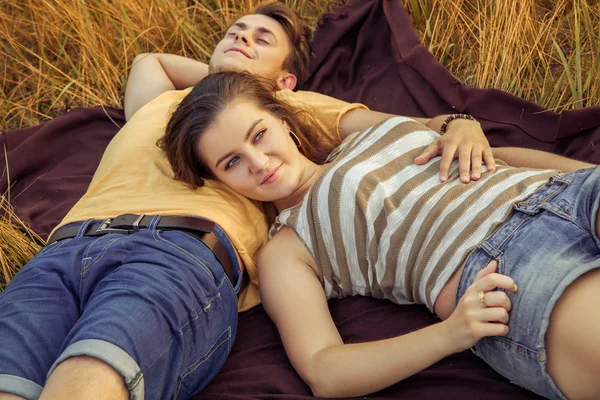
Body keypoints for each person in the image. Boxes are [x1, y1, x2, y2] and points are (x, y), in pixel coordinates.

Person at [0, 2, 492, 399]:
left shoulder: (284, 111)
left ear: (286, 85)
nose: (242, 38)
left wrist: (458, 122)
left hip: (177, 246)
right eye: (236, 31)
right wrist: (218, 82)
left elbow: (404, 130)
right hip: (64, 249)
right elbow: (147, 62)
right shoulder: (160, 107)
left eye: (262, 40)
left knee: (89, 377)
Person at [161, 70, 600, 400]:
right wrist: (449, 335)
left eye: (259, 134)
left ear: (283, 121)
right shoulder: (286, 248)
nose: (258, 161)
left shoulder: (361, 131)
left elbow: (482, 149)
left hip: (565, 192)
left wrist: (462, 123)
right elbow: (323, 370)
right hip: (504, 264)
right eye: (231, 162)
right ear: (218, 180)